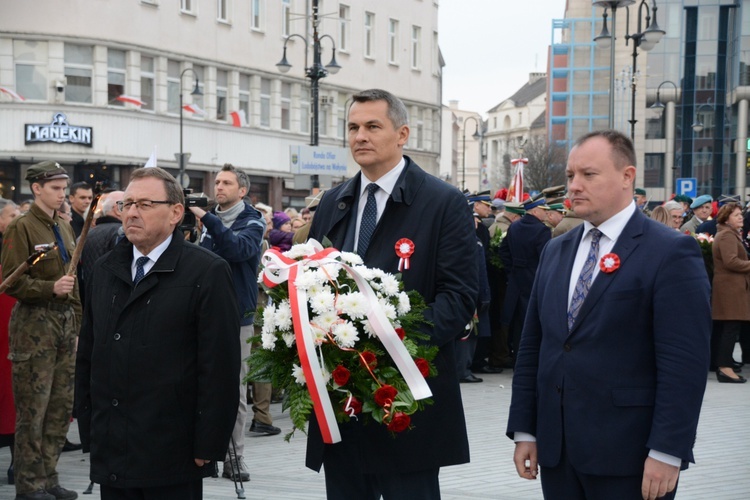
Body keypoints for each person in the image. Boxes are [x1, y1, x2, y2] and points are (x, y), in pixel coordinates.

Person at [507, 130, 711, 500]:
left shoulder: (670, 252)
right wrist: (526, 429)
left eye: (589, 175)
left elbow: (684, 363)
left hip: (630, 456)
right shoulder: (556, 250)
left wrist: (668, 450)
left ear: (627, 177)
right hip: (559, 452)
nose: (574, 186)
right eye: (570, 176)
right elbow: (534, 346)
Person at [307, 88, 478, 499]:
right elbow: (311, 285)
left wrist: (384, 344)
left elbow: (458, 298)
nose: (359, 136)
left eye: (372, 126)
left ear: (402, 134)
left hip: (405, 400)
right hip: (344, 400)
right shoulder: (334, 202)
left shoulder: (443, 202)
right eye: (352, 127)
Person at [75, 167, 240, 500]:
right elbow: (89, 352)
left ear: (176, 213)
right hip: (113, 447)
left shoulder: (207, 271)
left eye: (145, 204)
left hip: (171, 449)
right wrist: (90, 425)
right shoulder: (105, 269)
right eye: (128, 204)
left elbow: (219, 367)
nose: (132, 212)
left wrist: (208, 442)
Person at [1, 161, 81, 500]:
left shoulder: (63, 227)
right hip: (34, 327)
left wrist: (76, 325)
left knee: (59, 409)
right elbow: (10, 281)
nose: (62, 194)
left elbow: (74, 280)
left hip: (63, 327)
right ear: (36, 188)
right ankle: (29, 484)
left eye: (64, 187)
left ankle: (49, 477)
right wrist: (50, 289)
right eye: (55, 188)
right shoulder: (21, 227)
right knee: (33, 411)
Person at [190, 164, 269, 481]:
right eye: (217, 182)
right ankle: (203, 454)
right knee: (198, 387)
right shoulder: (208, 222)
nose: (218, 187)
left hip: (237, 318)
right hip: (202, 314)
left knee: (233, 390)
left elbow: (238, 250)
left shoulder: (252, 220)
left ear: (242, 191)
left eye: (226, 183)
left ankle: (234, 457)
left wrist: (207, 218)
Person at [499, 195, 550, 362]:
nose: (546, 213)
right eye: (543, 210)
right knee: (531, 319)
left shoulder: (514, 226)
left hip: (515, 279)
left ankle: (516, 357)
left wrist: (511, 270)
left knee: (516, 320)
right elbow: (545, 257)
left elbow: (504, 251)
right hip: (533, 278)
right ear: (535, 211)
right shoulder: (542, 230)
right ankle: (529, 358)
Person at [710, 202, 749, 383]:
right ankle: (725, 368)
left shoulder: (729, 234)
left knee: (728, 328)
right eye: (736, 215)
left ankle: (724, 366)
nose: (740, 217)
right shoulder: (727, 235)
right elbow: (731, 262)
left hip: (731, 288)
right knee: (730, 328)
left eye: (741, 214)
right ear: (727, 218)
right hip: (730, 289)